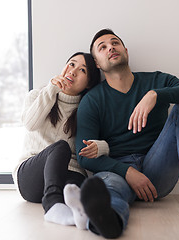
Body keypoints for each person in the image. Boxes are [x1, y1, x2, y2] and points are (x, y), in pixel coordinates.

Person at [74, 29, 179, 238]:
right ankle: (110, 219)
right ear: (97, 63)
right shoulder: (92, 100)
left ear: (126, 51)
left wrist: (155, 95)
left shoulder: (156, 81)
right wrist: (127, 172)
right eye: (102, 47)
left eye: (115, 43)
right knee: (110, 188)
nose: (110, 48)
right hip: (118, 171)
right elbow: (82, 154)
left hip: (157, 169)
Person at [12, 52, 109, 229]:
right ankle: (52, 205)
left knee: (78, 186)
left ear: (89, 83)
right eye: (71, 64)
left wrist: (100, 147)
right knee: (61, 147)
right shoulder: (37, 95)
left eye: (82, 70)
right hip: (30, 177)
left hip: (68, 175)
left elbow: (107, 143)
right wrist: (51, 89)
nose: (73, 72)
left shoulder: (87, 110)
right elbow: (30, 124)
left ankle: (82, 215)